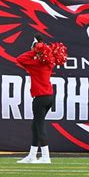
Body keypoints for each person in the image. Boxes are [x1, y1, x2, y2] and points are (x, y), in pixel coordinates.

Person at [16, 34, 67, 164]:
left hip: (40, 98)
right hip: (49, 97)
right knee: (35, 126)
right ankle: (32, 155)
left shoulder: (36, 64)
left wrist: (34, 50)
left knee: (39, 126)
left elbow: (20, 59)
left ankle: (45, 156)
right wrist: (40, 48)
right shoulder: (48, 64)